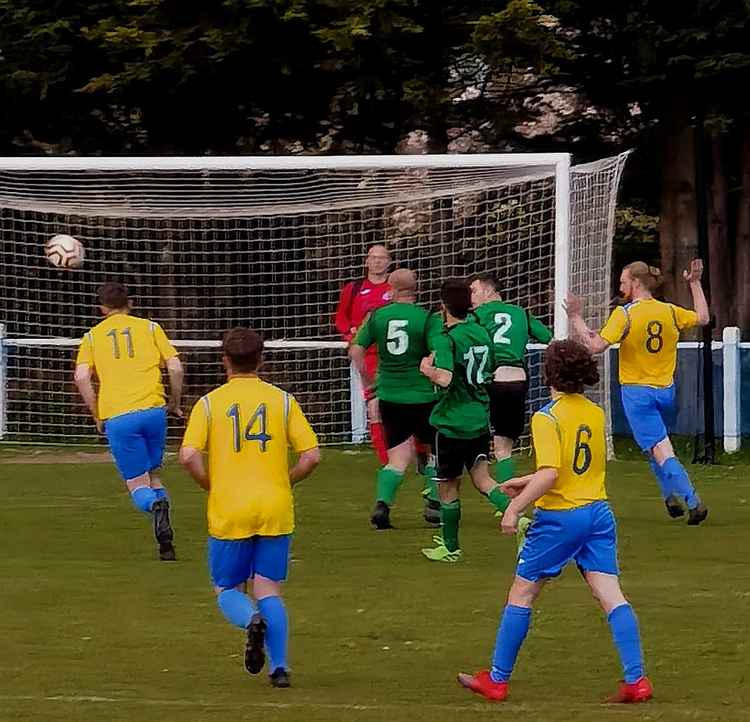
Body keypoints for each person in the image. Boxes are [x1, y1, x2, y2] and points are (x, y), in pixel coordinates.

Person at [458, 340, 652, 704]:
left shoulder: (547, 417)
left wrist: (515, 508)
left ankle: (497, 680)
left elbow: (552, 474)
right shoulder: (594, 412)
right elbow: (571, 468)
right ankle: (636, 679)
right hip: (597, 513)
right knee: (611, 595)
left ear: (548, 374)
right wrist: (528, 480)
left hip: (561, 519)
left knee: (523, 592)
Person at [179, 328, 320, 688]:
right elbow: (312, 456)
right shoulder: (283, 400)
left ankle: (250, 620)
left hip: (230, 507)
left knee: (227, 588)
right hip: (274, 505)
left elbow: (188, 455)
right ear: (262, 360)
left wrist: (207, 483)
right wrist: (287, 479)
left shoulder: (209, 404)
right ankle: (280, 668)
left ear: (224, 361)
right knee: (269, 587)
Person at [565, 260, 709, 524]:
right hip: (666, 391)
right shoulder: (668, 310)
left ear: (635, 282)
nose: (620, 287)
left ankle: (693, 501)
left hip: (637, 393)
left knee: (662, 450)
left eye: (623, 281)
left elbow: (596, 346)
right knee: (654, 446)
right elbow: (703, 318)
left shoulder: (626, 314)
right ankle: (670, 498)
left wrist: (575, 318)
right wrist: (695, 283)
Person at [74, 281, 183, 561]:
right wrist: (174, 402)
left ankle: (155, 507)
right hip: (153, 411)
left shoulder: (92, 336)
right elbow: (174, 365)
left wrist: (96, 412)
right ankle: (166, 544)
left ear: (101, 308)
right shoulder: (150, 328)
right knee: (153, 475)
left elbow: (82, 377)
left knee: (137, 484)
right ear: (130, 303)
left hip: (120, 416)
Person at [418, 279, 512, 563]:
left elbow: (445, 379)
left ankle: (450, 547)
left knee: (448, 489)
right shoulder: (481, 333)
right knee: (483, 479)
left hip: (451, 422)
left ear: (443, 307)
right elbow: (491, 368)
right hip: (478, 419)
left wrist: (427, 369)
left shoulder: (448, 338)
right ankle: (517, 518)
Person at [350, 268, 443, 529]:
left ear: (391, 288)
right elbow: (439, 350)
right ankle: (434, 505)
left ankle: (382, 505)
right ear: (415, 289)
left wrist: (370, 383)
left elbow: (356, 350)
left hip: (390, 396)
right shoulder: (427, 318)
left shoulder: (378, 316)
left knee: (398, 459)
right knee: (436, 452)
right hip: (424, 396)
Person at [470, 273, 553, 488]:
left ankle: (437, 493)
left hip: (488, 381)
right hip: (517, 381)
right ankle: (508, 499)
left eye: (474, 291)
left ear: (489, 291)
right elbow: (547, 337)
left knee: (460, 437)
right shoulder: (521, 313)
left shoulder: (476, 316)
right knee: (504, 447)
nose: (471, 296)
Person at [335, 244, 393, 465]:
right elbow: (341, 318)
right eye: (373, 258)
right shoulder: (354, 288)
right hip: (364, 355)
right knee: (371, 402)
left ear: (389, 262)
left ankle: (406, 450)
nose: (377, 262)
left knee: (395, 403)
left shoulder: (394, 288)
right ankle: (378, 453)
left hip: (391, 355)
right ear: (366, 262)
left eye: (382, 258)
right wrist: (350, 336)